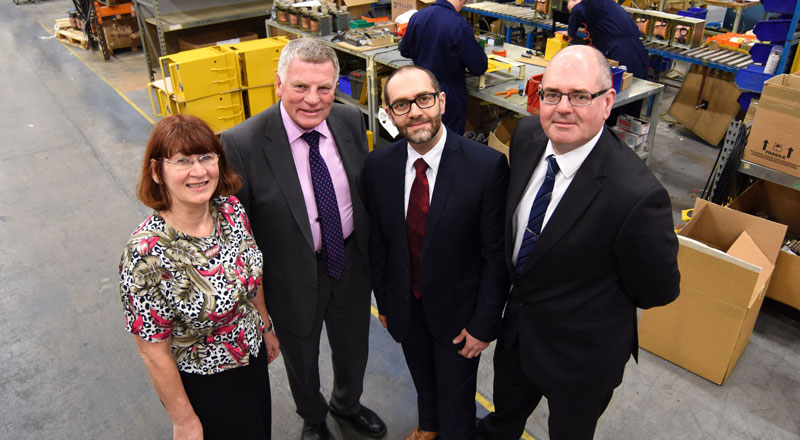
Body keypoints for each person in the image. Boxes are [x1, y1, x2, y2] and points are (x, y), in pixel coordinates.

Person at [476, 45, 680, 440]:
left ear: (607, 103)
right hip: (518, 333)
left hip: (581, 357)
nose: (563, 107)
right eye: (551, 94)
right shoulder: (529, 136)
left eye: (580, 96)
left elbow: (657, 289)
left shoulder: (636, 196)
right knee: (504, 418)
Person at [220, 38, 386, 440]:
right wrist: (255, 304)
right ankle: (313, 417)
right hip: (290, 274)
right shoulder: (242, 143)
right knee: (302, 355)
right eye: (300, 87)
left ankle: (347, 404)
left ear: (336, 87)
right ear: (278, 84)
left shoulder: (348, 122)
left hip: (348, 262)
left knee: (353, 346)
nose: (312, 99)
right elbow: (235, 232)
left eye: (324, 88)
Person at [365, 65, 510, 440]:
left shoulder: (486, 167)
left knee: (458, 396)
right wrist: (386, 301)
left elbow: (496, 256)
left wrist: (483, 324)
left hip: (459, 315)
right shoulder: (379, 166)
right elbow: (379, 241)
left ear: (441, 101)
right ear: (390, 114)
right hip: (405, 306)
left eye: (423, 99)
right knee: (422, 377)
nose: (414, 112)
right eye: (401, 105)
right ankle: (429, 425)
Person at [119, 114, 280, 440]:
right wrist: (184, 419)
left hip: (251, 358)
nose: (198, 171)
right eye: (182, 161)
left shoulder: (231, 211)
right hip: (207, 382)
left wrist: (265, 325)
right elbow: (153, 350)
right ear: (156, 171)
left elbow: (251, 277)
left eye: (206, 157)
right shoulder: (146, 254)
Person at [399, 0, 488, 135]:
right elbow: (479, 66)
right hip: (447, 94)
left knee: (422, 134)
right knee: (447, 142)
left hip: (419, 88)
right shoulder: (459, 25)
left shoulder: (418, 17)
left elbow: (404, 50)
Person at [564, 0, 649, 80]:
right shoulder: (607, 3)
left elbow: (577, 10)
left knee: (619, 81)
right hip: (637, 48)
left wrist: (571, 33)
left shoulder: (586, 4)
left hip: (620, 50)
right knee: (636, 81)